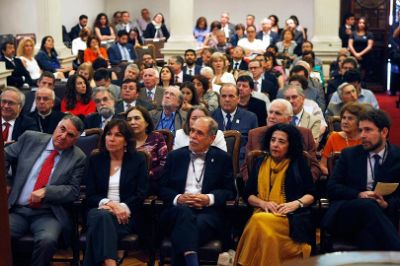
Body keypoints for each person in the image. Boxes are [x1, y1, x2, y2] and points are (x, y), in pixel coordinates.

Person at [6, 115, 86, 266]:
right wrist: (6, 181)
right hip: (18, 210)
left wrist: (47, 191)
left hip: (48, 214)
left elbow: (73, 190)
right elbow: (4, 155)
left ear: (75, 140)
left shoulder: (78, 157)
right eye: (62, 129)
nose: (63, 136)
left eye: (70, 135)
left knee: (47, 241)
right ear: (56, 126)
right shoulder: (30, 138)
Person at [159, 116, 235, 266]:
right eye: (192, 131)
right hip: (176, 211)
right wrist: (178, 198)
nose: (193, 136)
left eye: (199, 133)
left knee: (185, 229)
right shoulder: (175, 156)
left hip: (207, 214)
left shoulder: (222, 159)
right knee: (184, 213)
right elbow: (161, 187)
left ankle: (190, 258)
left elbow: (230, 192)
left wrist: (209, 198)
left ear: (211, 138)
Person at [235, 123, 315, 265]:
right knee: (264, 228)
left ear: (290, 145)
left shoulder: (298, 163)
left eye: (281, 141)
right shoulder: (260, 162)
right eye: (273, 140)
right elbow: (248, 195)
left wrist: (296, 203)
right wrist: (263, 203)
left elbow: (311, 194)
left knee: (259, 220)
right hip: (263, 214)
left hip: (290, 219)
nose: (275, 145)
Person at [323, 109, 400, 250]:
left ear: (384, 132)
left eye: (368, 130)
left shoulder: (397, 157)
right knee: (368, 205)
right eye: (360, 130)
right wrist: (359, 194)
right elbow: (332, 187)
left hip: (379, 216)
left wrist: (386, 204)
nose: (362, 135)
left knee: (368, 235)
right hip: (347, 214)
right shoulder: (349, 155)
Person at [83, 119, 148, 266]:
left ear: (126, 141)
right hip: (100, 210)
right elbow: (90, 194)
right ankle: (110, 262)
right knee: (102, 216)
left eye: (118, 135)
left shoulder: (138, 159)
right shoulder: (95, 159)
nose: (111, 139)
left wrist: (122, 207)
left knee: (98, 224)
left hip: (125, 217)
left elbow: (141, 193)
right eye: (109, 134)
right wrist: (111, 204)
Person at [244, 99, 321, 182]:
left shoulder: (305, 134)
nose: (272, 117)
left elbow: (314, 166)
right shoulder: (254, 134)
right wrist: (253, 184)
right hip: (261, 185)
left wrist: (304, 184)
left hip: (295, 185)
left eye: (277, 113)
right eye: (270, 112)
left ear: (289, 119)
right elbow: (246, 166)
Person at [212, 83, 258, 162]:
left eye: (231, 96)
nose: (227, 99)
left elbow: (253, 145)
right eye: (223, 96)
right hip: (215, 161)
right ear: (219, 99)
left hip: (241, 163)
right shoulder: (210, 117)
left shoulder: (250, 118)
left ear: (238, 99)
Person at [126, 106, 167, 193]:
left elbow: (164, 163)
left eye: (137, 118)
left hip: (151, 182)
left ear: (147, 122)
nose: (132, 122)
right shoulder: (123, 140)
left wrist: (147, 175)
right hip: (126, 183)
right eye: (129, 120)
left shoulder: (157, 137)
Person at [320, 102, 366, 176]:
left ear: (360, 122)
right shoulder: (334, 137)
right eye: (344, 118)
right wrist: (335, 177)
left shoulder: (365, 140)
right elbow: (323, 165)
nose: (345, 121)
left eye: (350, 118)